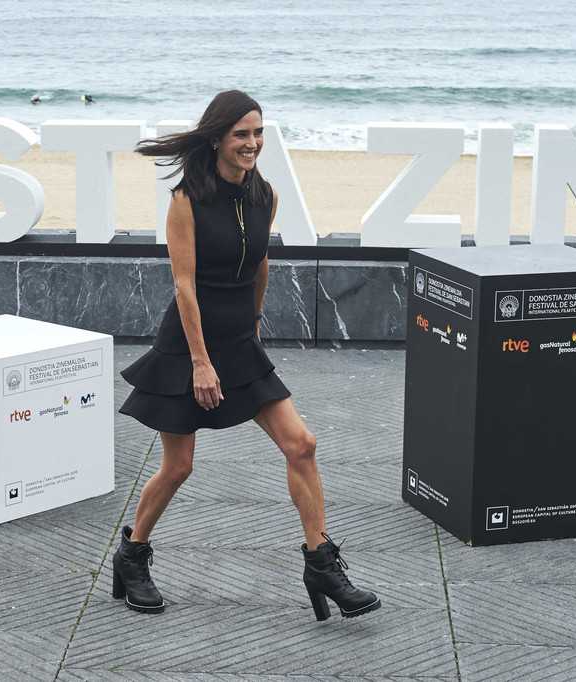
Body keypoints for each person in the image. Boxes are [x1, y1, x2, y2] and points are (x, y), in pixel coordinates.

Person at [112, 90, 381, 621]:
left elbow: (259, 264)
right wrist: (200, 361)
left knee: (301, 444)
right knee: (179, 467)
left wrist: (254, 322)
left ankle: (321, 564)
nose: (252, 143)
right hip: (188, 345)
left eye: (258, 133)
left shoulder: (265, 196)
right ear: (217, 138)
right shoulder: (186, 200)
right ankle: (132, 555)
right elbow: (184, 286)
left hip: (239, 342)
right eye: (241, 134)